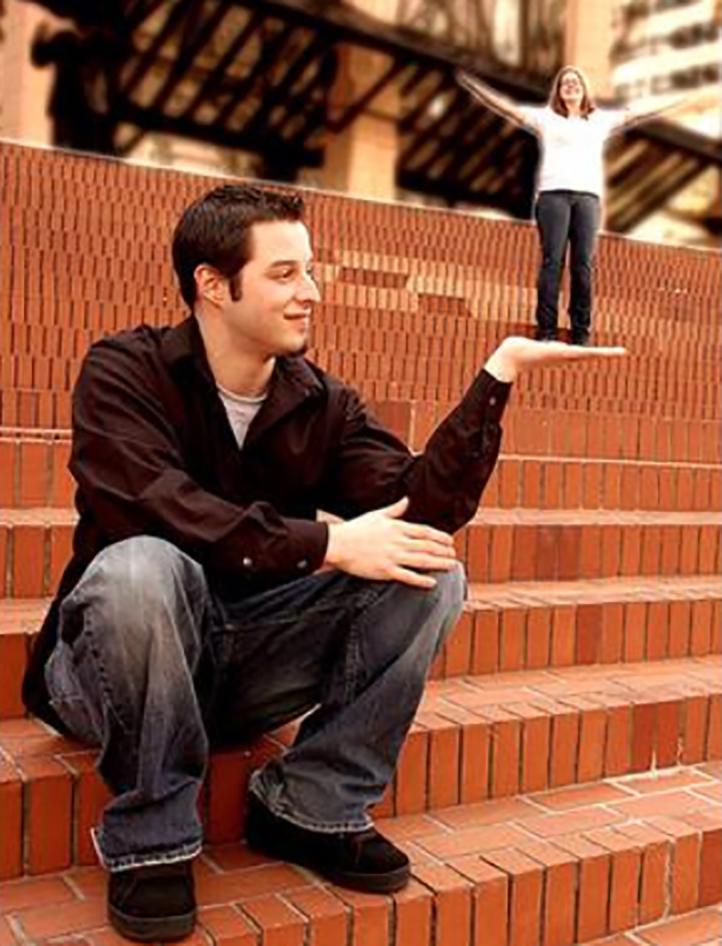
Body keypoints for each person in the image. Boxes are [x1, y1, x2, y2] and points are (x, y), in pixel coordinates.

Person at [22, 184, 625, 942]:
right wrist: (328, 543)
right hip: (112, 674)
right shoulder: (125, 371)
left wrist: (496, 377)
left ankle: (310, 802)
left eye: (311, 271)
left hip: (240, 665)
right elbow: (150, 504)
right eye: (283, 274)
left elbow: (423, 511)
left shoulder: (322, 402)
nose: (309, 293)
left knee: (430, 568)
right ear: (213, 283)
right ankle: (153, 837)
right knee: (140, 566)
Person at [456, 65, 701, 344]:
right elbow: (508, 109)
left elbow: (640, 113)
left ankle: (580, 330)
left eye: (575, 82)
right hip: (553, 197)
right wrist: (476, 88)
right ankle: (546, 329)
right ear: (559, 92)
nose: (570, 86)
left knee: (582, 265)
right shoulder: (546, 118)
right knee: (552, 262)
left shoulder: (599, 120)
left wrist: (679, 99)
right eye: (565, 83)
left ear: (584, 89)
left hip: (587, 199)